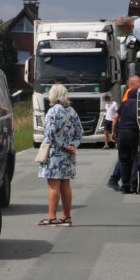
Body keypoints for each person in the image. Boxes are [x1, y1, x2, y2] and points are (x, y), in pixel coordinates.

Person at [37, 83, 82, 226]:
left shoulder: (52, 112)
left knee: (53, 185)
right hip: (69, 155)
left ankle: (51, 217)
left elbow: (49, 134)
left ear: (53, 95)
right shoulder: (72, 111)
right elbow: (80, 132)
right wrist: (72, 146)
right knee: (65, 185)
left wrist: (63, 146)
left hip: (55, 154)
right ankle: (66, 216)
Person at [110, 75, 140, 193]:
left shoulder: (125, 103)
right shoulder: (139, 104)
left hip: (122, 133)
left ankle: (124, 186)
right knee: (134, 159)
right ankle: (133, 185)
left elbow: (115, 117)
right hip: (133, 133)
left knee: (123, 160)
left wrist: (114, 132)